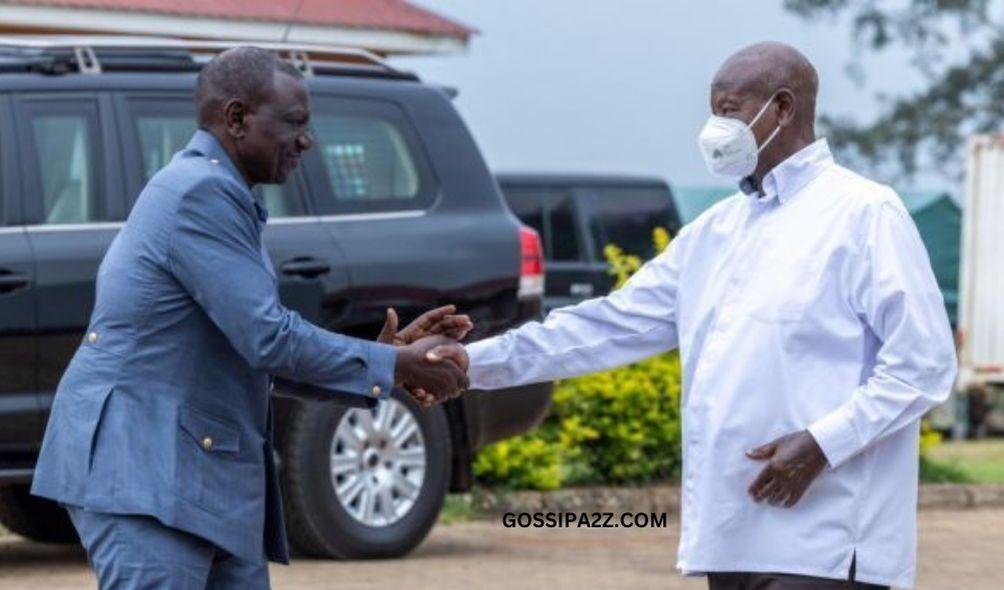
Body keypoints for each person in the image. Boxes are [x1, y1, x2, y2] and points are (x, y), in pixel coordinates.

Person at [430, 42, 956, 590]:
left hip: (828, 541)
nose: (714, 127)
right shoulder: (715, 232)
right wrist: (466, 362)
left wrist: (823, 444)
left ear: (781, 109)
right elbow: (605, 327)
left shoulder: (864, 214)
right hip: (731, 538)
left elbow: (924, 365)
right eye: (712, 111)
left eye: (728, 110)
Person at [30, 47, 471, 589]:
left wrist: (386, 362)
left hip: (197, 476)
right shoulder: (201, 194)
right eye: (294, 123)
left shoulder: (218, 192)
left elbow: (250, 344)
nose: (307, 141)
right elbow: (267, 338)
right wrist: (392, 363)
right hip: (147, 470)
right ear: (237, 119)